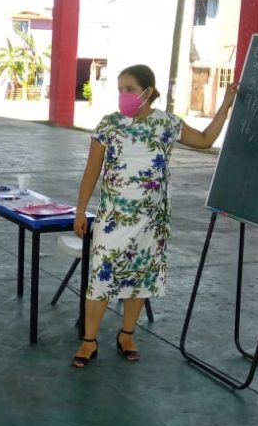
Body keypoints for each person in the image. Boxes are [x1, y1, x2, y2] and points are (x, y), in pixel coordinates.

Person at [70, 64, 238, 368]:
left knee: (139, 275)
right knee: (100, 276)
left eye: (130, 89)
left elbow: (204, 140)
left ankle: (127, 334)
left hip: (152, 219)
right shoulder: (109, 124)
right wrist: (81, 210)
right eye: (120, 89)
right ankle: (89, 341)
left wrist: (226, 104)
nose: (124, 95)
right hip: (114, 218)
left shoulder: (166, 123)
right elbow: (92, 170)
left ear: (148, 92)